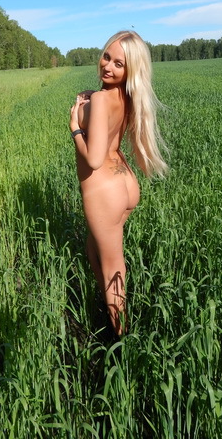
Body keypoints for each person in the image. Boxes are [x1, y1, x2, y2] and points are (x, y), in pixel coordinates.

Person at [69, 30, 167, 337]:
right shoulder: (124, 95)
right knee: (94, 249)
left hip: (103, 190)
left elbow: (94, 158)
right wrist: (90, 98)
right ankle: (110, 314)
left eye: (119, 64)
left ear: (130, 70)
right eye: (106, 57)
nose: (108, 66)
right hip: (125, 183)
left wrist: (75, 129)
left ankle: (121, 340)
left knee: (113, 266)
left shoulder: (101, 99)